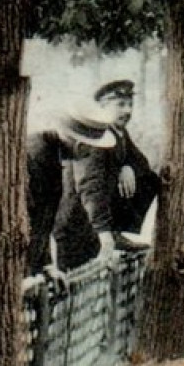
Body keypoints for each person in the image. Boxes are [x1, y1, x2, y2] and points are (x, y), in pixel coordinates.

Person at [25, 105, 117, 275]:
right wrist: (33, 271)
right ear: (81, 146)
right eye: (91, 149)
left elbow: (43, 221)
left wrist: (46, 266)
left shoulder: (52, 151)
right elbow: (29, 219)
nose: (89, 155)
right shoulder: (37, 156)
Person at [89, 79, 161, 244]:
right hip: (86, 220)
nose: (127, 111)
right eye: (120, 104)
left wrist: (128, 167)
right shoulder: (95, 135)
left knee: (150, 179)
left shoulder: (119, 132)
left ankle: (124, 232)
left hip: (103, 216)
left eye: (130, 105)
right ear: (103, 106)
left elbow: (142, 163)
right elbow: (93, 188)